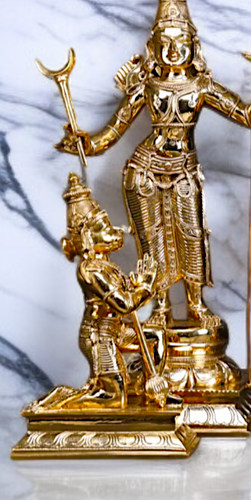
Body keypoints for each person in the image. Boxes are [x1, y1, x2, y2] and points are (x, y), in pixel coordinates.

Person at [58, 0, 251, 331]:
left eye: (181, 42)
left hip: (184, 169)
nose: (174, 50)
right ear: (154, 47)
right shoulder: (146, 86)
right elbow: (112, 131)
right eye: (166, 43)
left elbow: (249, 117)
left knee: (192, 233)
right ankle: (159, 307)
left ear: (193, 45)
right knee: (153, 239)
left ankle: (195, 303)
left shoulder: (201, 85)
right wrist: (85, 143)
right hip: (144, 169)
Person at [55, 173, 157, 408]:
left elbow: (126, 296)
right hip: (99, 335)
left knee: (156, 335)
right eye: (105, 228)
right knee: (114, 398)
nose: (115, 232)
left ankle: (151, 386)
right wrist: (145, 286)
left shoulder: (106, 265)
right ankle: (63, 401)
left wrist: (137, 284)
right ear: (88, 237)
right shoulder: (91, 270)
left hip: (115, 329)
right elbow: (124, 304)